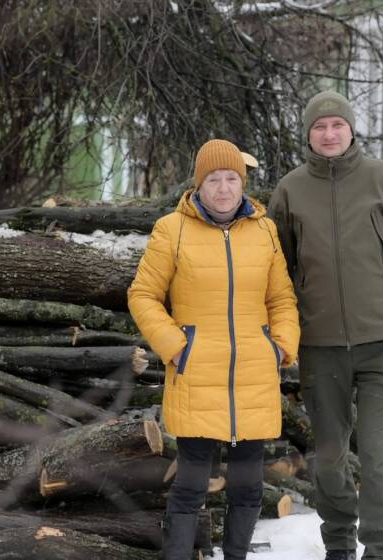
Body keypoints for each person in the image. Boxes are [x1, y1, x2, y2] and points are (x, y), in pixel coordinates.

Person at [267, 91, 383, 560]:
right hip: (320, 347)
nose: (328, 134)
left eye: (336, 125)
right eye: (319, 127)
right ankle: (338, 544)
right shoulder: (290, 190)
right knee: (329, 458)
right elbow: (276, 271)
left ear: (350, 129)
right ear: (307, 134)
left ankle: (380, 550)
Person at [128, 139, 300, 560]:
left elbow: (281, 299)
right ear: (199, 184)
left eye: (230, 179)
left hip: (253, 378)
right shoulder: (173, 229)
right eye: (213, 179)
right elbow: (143, 295)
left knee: (247, 487)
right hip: (196, 376)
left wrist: (279, 348)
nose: (223, 188)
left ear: (241, 183)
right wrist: (177, 348)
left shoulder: (264, 231)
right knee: (189, 487)